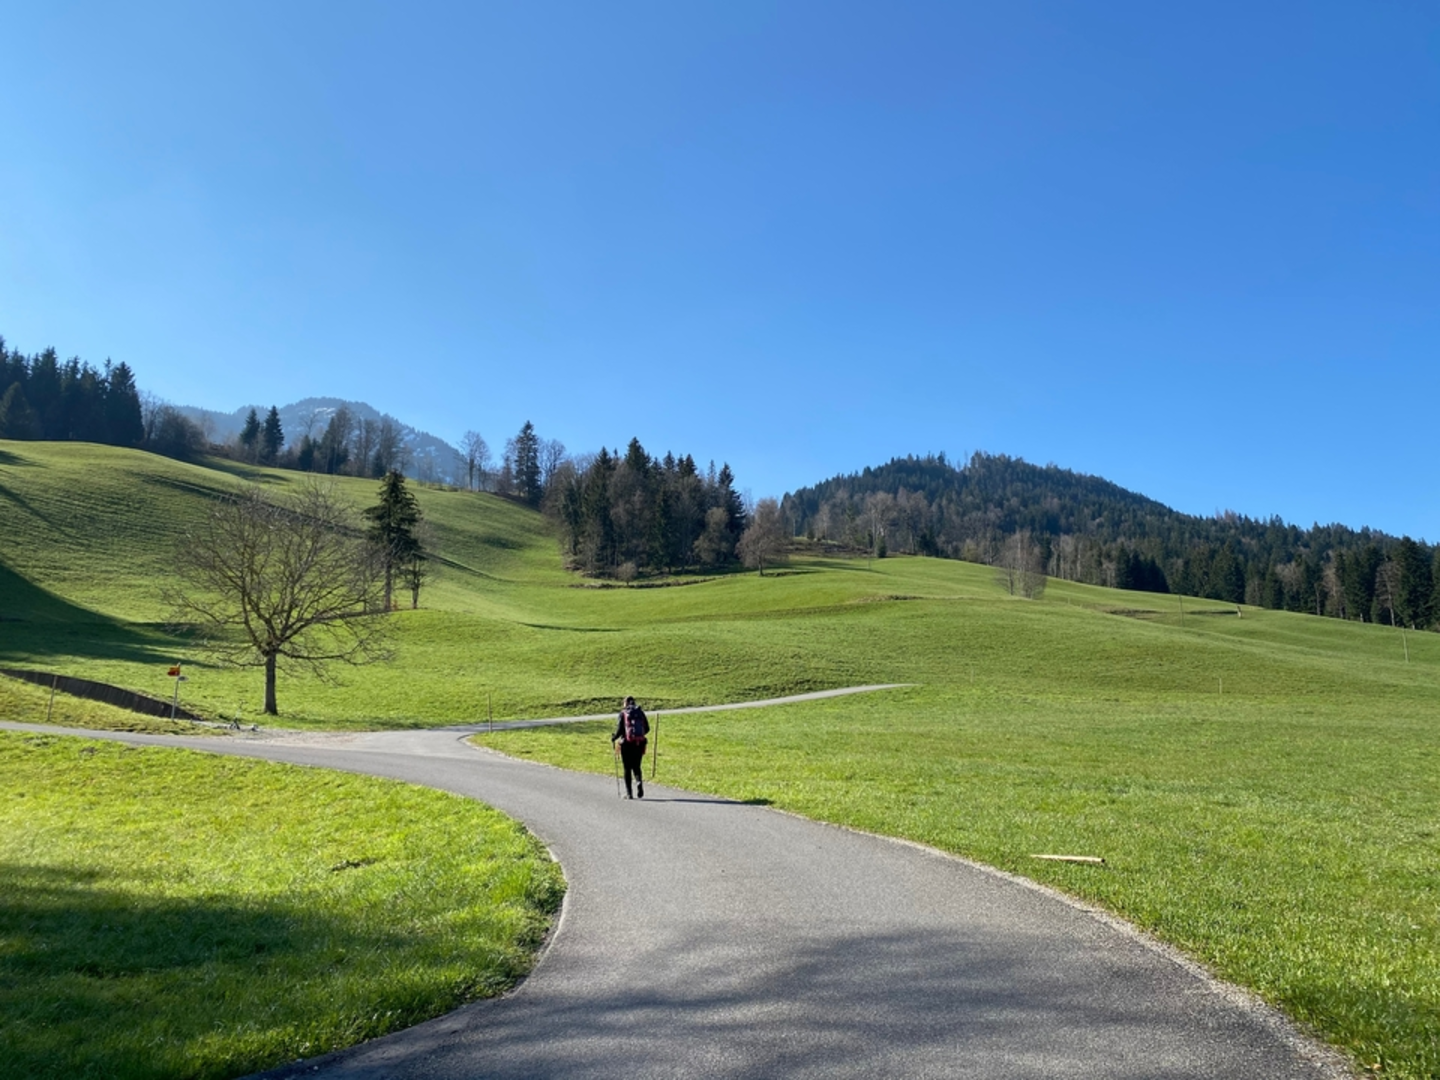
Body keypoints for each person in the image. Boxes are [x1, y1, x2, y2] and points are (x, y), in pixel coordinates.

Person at [611, 695, 649, 799]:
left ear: (626, 703)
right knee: (637, 766)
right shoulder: (640, 713)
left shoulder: (623, 713)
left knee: (627, 768)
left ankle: (629, 793)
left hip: (626, 744)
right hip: (639, 743)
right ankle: (639, 782)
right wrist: (639, 735)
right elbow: (647, 728)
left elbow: (620, 730)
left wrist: (614, 737)